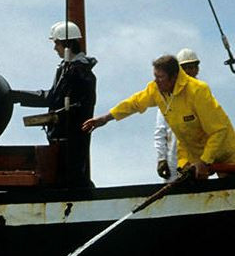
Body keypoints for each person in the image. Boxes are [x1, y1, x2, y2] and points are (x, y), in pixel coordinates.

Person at [83, 54, 235, 180]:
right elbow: (134, 103)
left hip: (224, 151)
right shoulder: (156, 90)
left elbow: (219, 131)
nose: (156, 81)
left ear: (174, 77)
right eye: (155, 76)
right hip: (194, 154)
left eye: (160, 77)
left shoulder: (197, 91)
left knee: (227, 188)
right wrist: (105, 118)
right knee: (189, 190)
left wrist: (205, 161)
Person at [13, 20, 97, 187]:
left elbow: (63, 102)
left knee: (71, 179)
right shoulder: (67, 69)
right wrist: (19, 96)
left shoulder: (80, 72)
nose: (54, 48)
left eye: (56, 43)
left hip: (71, 139)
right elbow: (54, 96)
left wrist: (58, 116)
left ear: (66, 45)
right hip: (62, 137)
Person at [155, 48, 201, 181]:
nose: (189, 71)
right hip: (173, 162)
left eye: (192, 67)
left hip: (198, 163)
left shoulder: (202, 96)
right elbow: (160, 133)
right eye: (185, 68)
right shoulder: (166, 99)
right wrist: (161, 159)